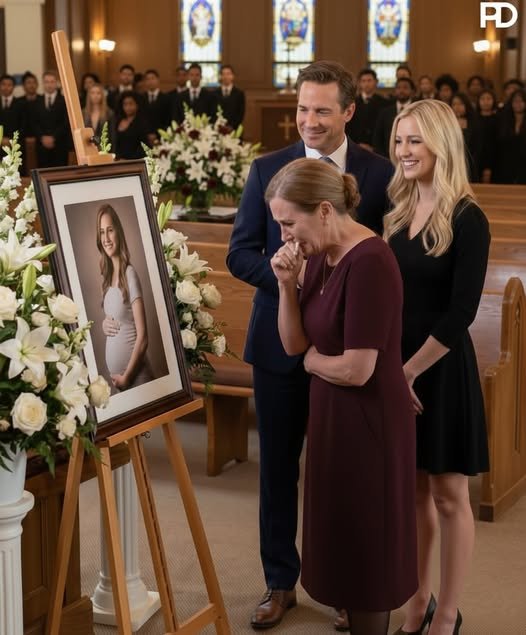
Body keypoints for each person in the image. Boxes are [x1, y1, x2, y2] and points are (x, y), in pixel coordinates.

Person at [226, 60, 393, 631]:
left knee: (340, 472)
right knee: (277, 470)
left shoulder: (378, 173)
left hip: (345, 347)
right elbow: (239, 252)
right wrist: (286, 277)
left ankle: (345, 587)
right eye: (303, 109)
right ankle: (280, 582)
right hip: (279, 344)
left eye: (322, 110)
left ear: (349, 111)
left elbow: (381, 256)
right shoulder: (265, 168)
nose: (310, 121)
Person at [266, 157, 417, 635]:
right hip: (332, 416)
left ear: (325, 210)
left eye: (289, 223)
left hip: (370, 423)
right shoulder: (318, 256)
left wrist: (313, 364)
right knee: (343, 542)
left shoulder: (370, 261)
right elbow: (293, 344)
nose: (284, 236)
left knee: (368, 554)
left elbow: (357, 368)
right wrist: (286, 285)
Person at [385, 99, 490, 635]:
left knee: (449, 496)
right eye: (399, 140)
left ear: (440, 144)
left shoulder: (469, 218)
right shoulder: (396, 213)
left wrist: (409, 371)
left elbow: (461, 312)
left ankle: (447, 614)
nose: (404, 151)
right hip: (397, 367)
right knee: (413, 495)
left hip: (440, 369)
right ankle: (416, 604)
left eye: (415, 141)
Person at [97, 204, 153, 391]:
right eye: (102, 232)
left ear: (118, 232)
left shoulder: (130, 274)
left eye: (110, 230)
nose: (106, 238)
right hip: (121, 383)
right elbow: (119, 316)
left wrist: (127, 377)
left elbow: (143, 337)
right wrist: (104, 324)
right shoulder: (107, 278)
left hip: (137, 378)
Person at [345, 68, 388, 151]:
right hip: (355, 146)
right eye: (363, 81)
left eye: (369, 80)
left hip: (377, 148)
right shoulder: (352, 102)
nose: (366, 84)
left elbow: (384, 129)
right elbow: (348, 126)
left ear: (376, 82)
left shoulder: (384, 103)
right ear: (359, 83)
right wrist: (357, 144)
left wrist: (374, 147)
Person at [113, 91, 150, 160]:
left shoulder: (142, 123)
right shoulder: (118, 121)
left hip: (135, 161)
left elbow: (144, 146)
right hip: (118, 160)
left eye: (131, 104)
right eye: (125, 104)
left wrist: (129, 160)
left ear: (137, 105)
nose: (128, 107)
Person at [214, 64, 245, 130]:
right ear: (220, 76)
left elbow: (240, 114)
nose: (226, 77)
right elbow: (213, 112)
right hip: (218, 128)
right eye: (223, 74)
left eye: (228, 74)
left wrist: (231, 127)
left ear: (233, 76)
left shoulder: (239, 94)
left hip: (234, 129)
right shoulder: (214, 93)